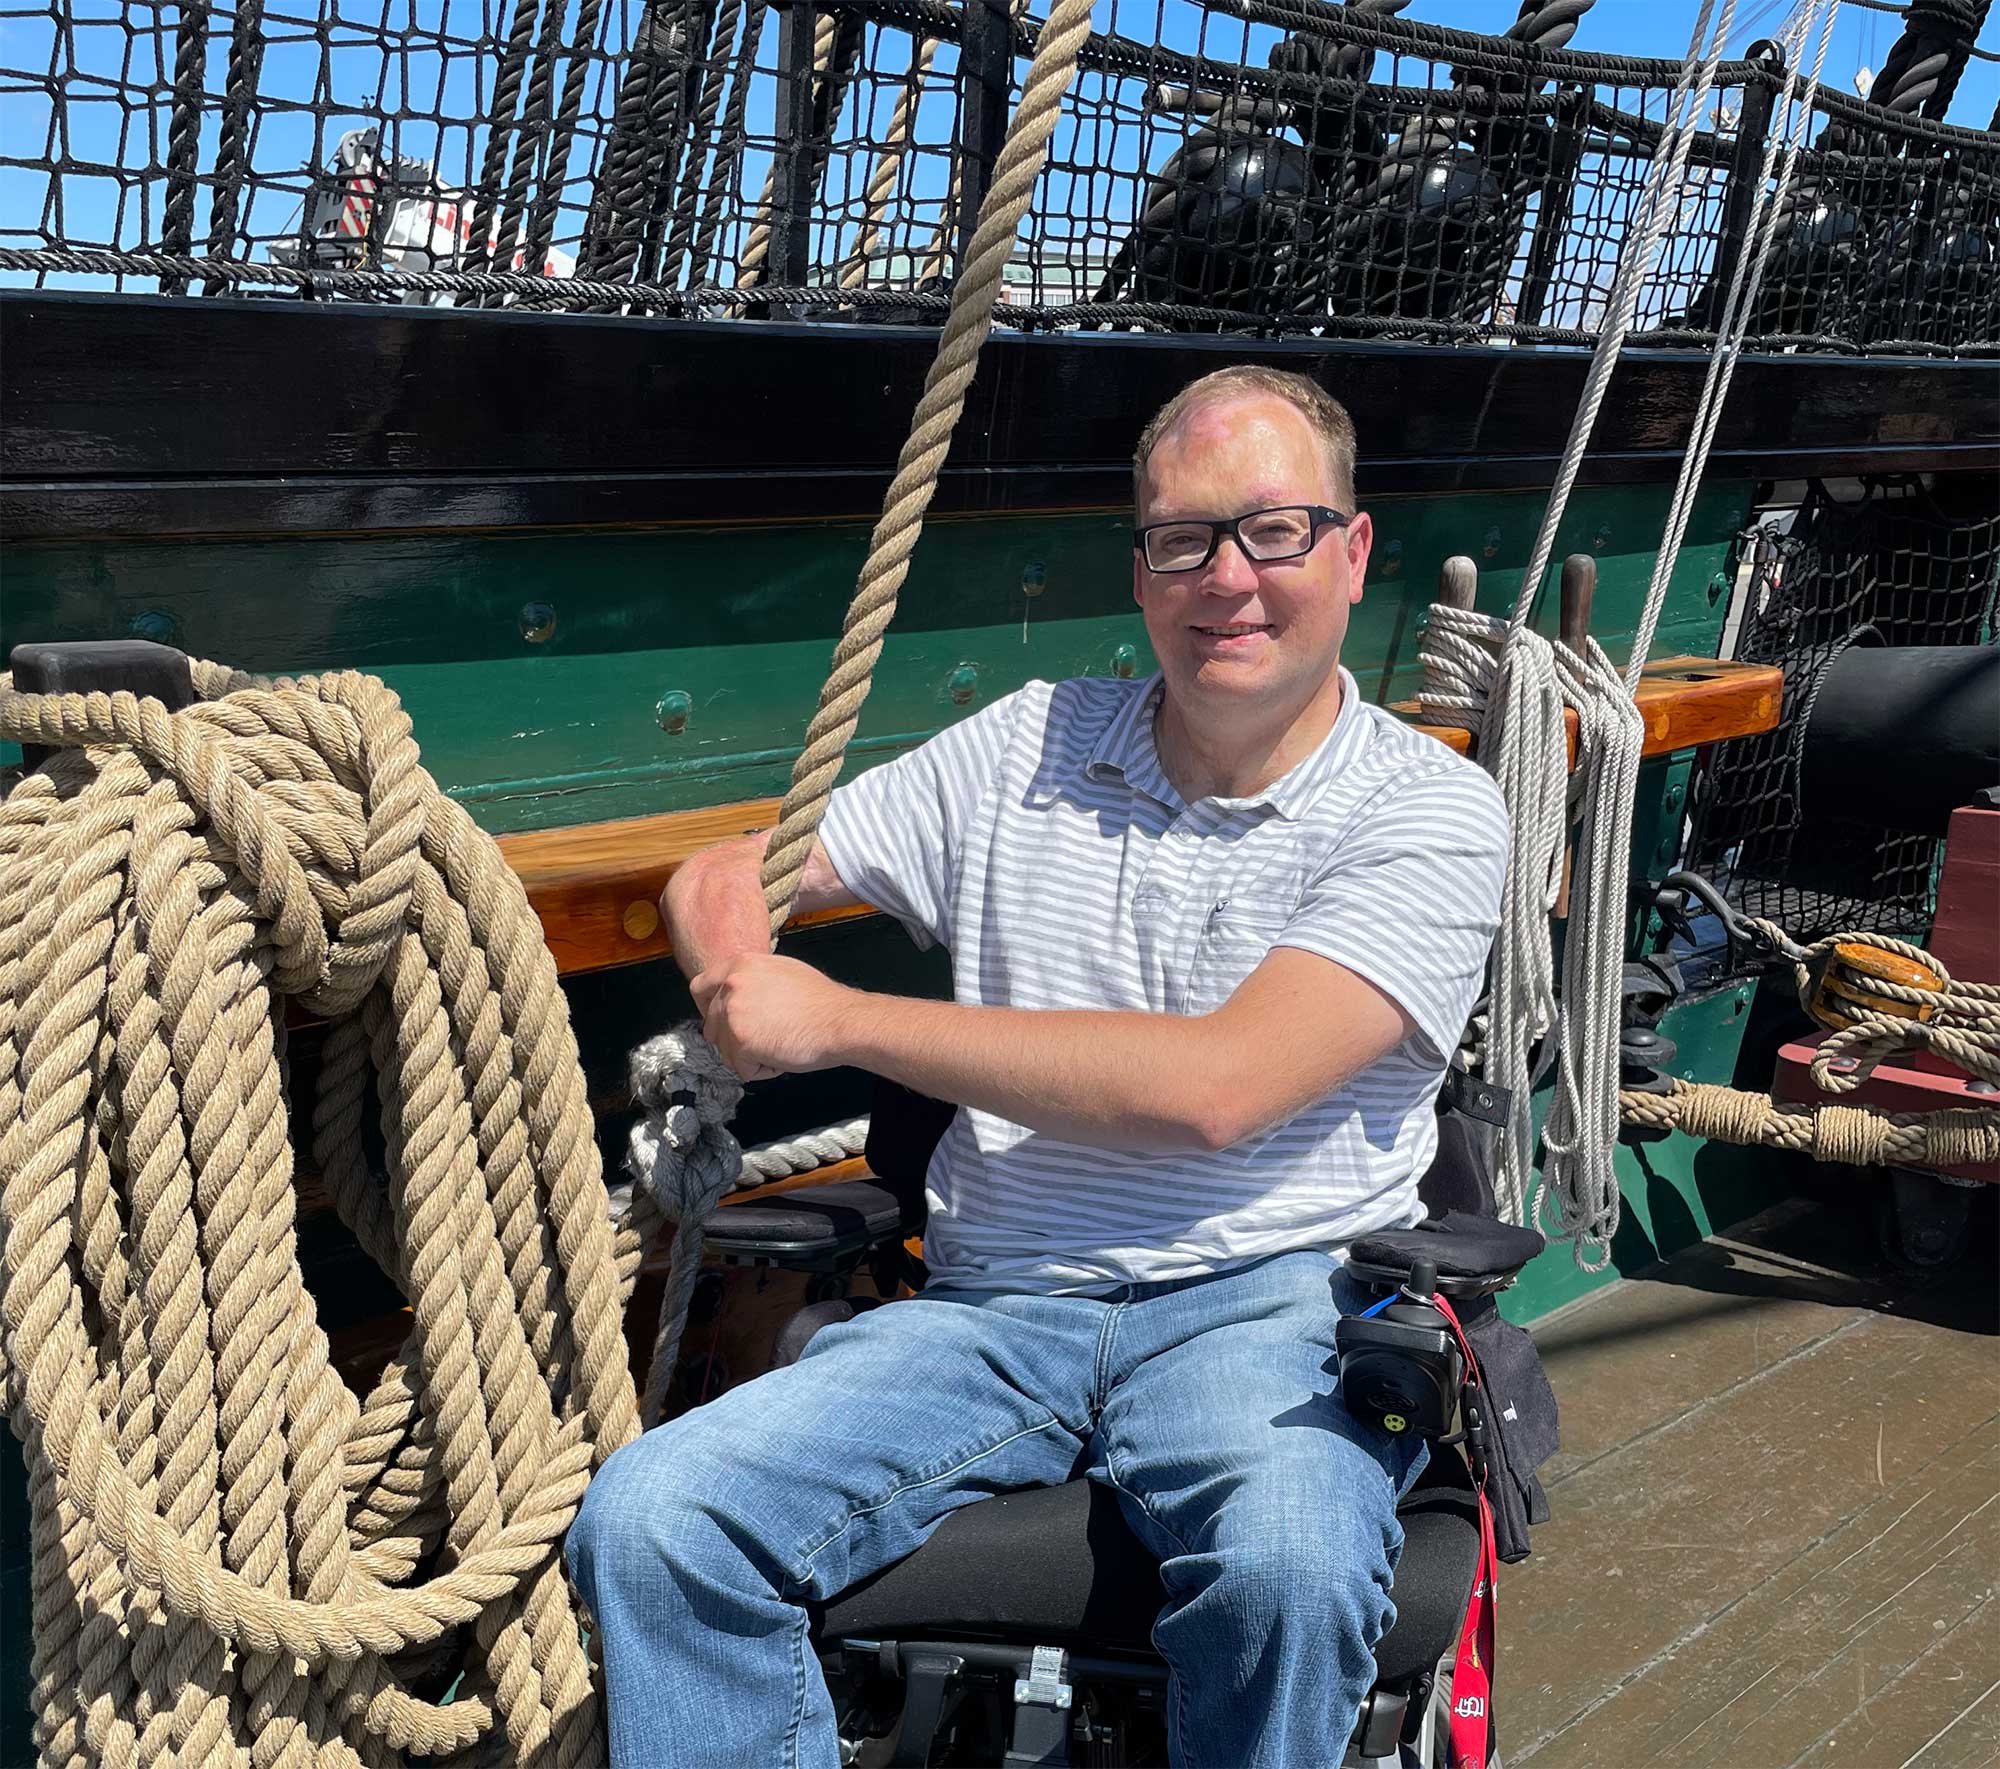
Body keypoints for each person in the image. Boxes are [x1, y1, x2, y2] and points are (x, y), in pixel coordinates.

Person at [565, 365, 1509, 1767]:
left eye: (1272, 531)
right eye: (1183, 539)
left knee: (1289, 1574)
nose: (1226, 578)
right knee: (653, 1520)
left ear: (1353, 551)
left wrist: (836, 1020)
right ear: (1141, 574)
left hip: (1271, 1306)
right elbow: (731, 870)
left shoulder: (1431, 811)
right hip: (998, 1306)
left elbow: (1218, 1087)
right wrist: (730, 975)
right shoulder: (1025, 747)